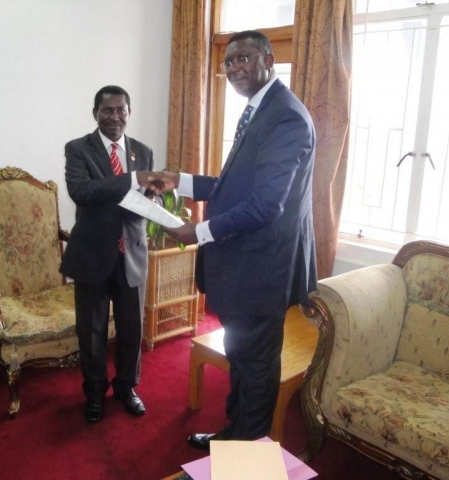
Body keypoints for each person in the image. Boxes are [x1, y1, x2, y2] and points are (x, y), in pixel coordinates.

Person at [147, 30, 317, 449]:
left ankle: (244, 457)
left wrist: (197, 233)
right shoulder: (259, 110)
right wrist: (179, 180)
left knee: (256, 368)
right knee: (241, 358)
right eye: (229, 62)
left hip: (262, 269)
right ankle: (233, 436)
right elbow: (233, 186)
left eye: (245, 58)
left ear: (268, 60)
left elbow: (265, 206)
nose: (235, 67)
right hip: (245, 265)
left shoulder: (286, 117)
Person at [60, 85, 155, 424]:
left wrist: (155, 202)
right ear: (95, 113)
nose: (115, 117)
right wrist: (132, 180)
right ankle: (95, 393)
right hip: (92, 257)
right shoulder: (78, 150)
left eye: (121, 110)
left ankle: (127, 388)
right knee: (93, 331)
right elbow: (81, 192)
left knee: (132, 330)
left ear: (129, 113)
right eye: (107, 110)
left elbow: (146, 196)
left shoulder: (143, 152)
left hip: (131, 255)